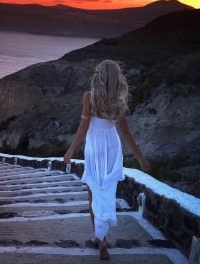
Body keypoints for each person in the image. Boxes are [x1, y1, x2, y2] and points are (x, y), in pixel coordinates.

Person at [63, 59, 150, 260]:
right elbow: (126, 132)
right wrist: (140, 158)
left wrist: (69, 152)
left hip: (95, 147)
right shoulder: (119, 99)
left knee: (94, 192)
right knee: (107, 191)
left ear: (100, 76)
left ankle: (100, 240)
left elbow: (83, 128)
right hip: (112, 146)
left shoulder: (89, 97)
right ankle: (102, 238)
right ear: (116, 77)